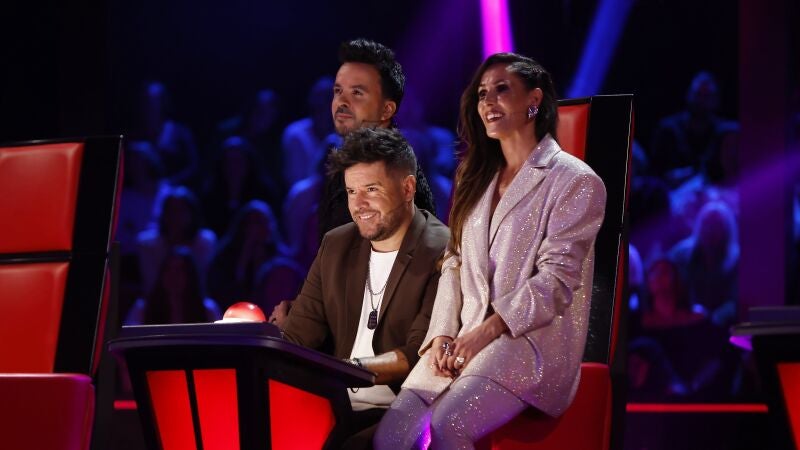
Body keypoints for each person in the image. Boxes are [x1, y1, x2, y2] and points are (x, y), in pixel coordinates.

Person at [374, 53, 607, 449]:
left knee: (449, 425)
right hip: (463, 338)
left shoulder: (575, 181)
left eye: (502, 89)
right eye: (483, 93)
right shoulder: (476, 175)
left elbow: (556, 281)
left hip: (529, 343)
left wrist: (486, 331)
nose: (488, 101)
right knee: (389, 438)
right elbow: (454, 262)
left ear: (534, 101)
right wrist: (442, 334)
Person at [269, 127, 449, 449]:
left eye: (371, 189)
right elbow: (299, 336)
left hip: (398, 408)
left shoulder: (441, 250)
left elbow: (417, 354)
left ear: (407, 188)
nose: (359, 204)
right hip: (334, 403)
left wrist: (344, 370)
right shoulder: (336, 245)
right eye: (352, 191)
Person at [318, 38, 437, 238]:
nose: (341, 101)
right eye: (338, 91)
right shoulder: (337, 170)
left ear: (387, 109)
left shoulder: (404, 167)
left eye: (357, 92)